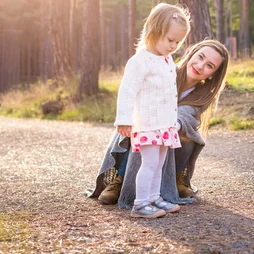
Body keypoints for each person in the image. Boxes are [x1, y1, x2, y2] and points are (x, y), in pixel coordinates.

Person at [89, 39, 230, 214]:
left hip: (170, 134)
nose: (200, 66)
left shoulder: (202, 96)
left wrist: (172, 125)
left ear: (212, 74)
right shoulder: (165, 71)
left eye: (209, 66)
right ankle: (120, 179)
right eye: (200, 57)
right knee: (139, 132)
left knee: (189, 134)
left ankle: (177, 177)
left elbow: (186, 116)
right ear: (191, 53)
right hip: (147, 126)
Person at [113, 3, 191, 218]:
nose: (174, 46)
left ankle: (155, 197)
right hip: (147, 124)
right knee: (148, 164)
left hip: (165, 125)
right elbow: (127, 91)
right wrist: (124, 119)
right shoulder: (139, 62)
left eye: (178, 42)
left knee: (159, 164)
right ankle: (140, 204)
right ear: (153, 31)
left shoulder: (167, 60)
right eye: (170, 40)